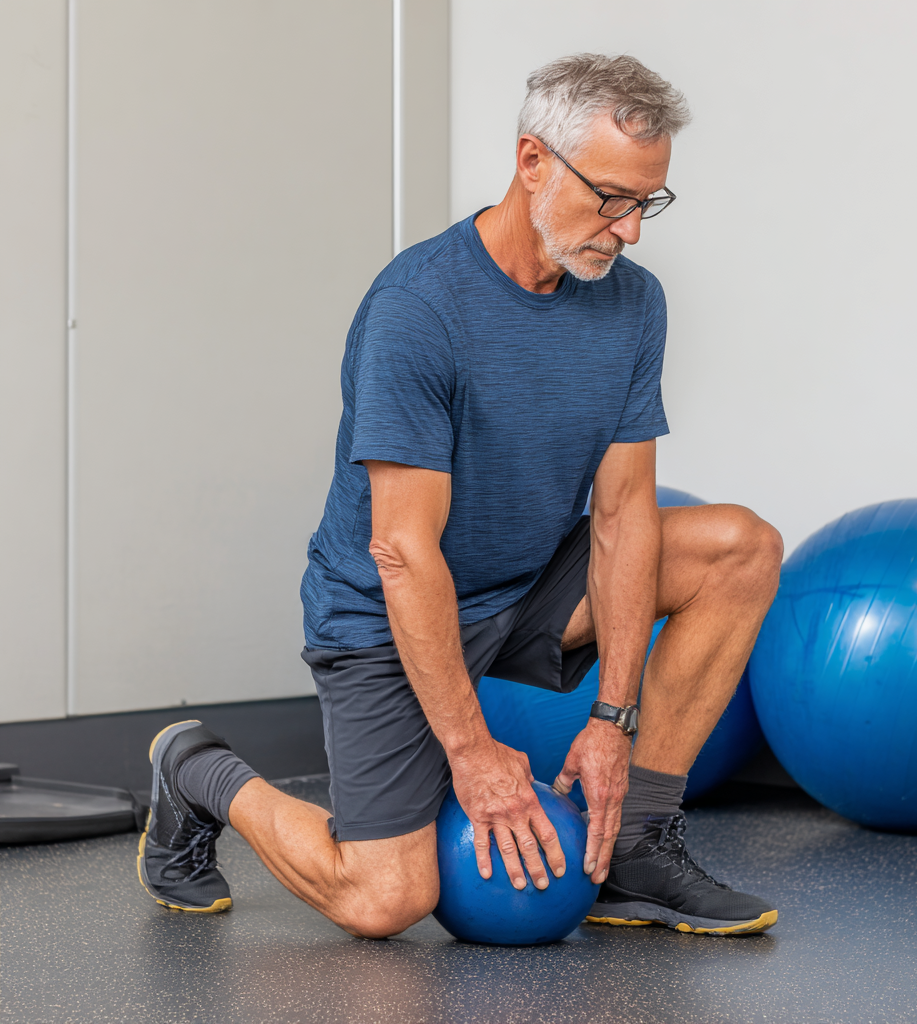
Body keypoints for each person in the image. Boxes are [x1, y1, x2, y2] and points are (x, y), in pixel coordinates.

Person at [137, 53, 784, 939]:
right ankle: (198, 769)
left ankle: (637, 842)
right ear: (531, 163)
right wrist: (471, 750)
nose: (630, 231)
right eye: (611, 199)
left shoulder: (633, 305)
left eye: (648, 203)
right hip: (386, 612)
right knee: (385, 899)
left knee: (739, 548)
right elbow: (402, 552)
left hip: (525, 590)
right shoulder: (419, 308)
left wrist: (613, 721)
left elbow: (626, 515)